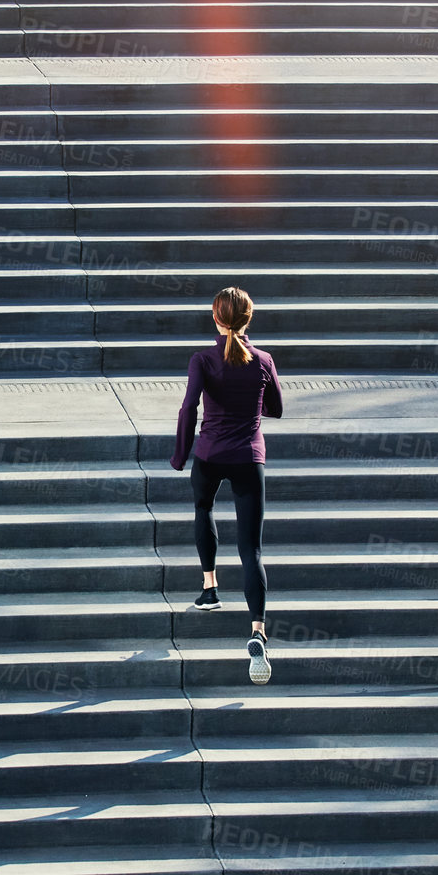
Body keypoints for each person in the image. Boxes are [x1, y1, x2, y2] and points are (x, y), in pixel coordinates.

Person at [168, 286, 284, 684]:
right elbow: (276, 409)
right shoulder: (264, 360)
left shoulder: (202, 359)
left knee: (204, 509)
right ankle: (257, 631)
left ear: (216, 318)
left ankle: (210, 588)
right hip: (249, 458)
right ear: (248, 319)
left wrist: (181, 454)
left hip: (210, 454)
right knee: (251, 548)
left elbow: (189, 407)